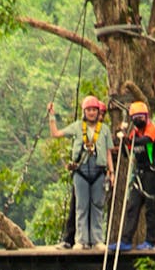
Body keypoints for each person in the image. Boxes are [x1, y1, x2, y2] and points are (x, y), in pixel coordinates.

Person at [48, 95, 113, 249]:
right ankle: (81, 240)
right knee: (81, 206)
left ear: (98, 112)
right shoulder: (77, 126)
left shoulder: (104, 130)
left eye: (94, 110)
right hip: (81, 170)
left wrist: (112, 172)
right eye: (89, 110)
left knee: (97, 205)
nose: (91, 113)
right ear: (84, 112)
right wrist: (52, 115)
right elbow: (56, 134)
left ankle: (97, 240)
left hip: (99, 170)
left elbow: (109, 152)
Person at [110, 100, 155, 251]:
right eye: (136, 117)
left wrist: (129, 140)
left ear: (146, 117)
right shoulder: (134, 133)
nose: (140, 120)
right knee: (132, 207)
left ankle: (150, 242)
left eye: (142, 117)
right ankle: (126, 241)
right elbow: (127, 153)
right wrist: (122, 141)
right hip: (139, 174)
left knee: (151, 209)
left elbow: (146, 141)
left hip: (152, 175)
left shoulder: (151, 129)